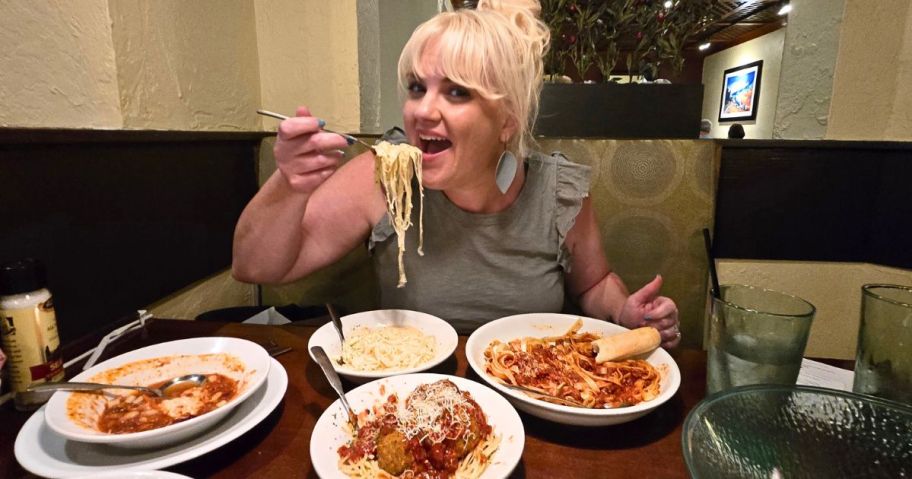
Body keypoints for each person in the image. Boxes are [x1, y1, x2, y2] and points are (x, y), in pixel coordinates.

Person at [232, 0, 681, 348]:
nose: (423, 111)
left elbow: (595, 285)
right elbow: (253, 266)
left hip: (534, 387)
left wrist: (625, 311)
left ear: (507, 121)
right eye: (416, 88)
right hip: (407, 394)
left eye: (456, 92)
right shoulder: (384, 176)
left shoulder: (559, 193)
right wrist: (290, 184)